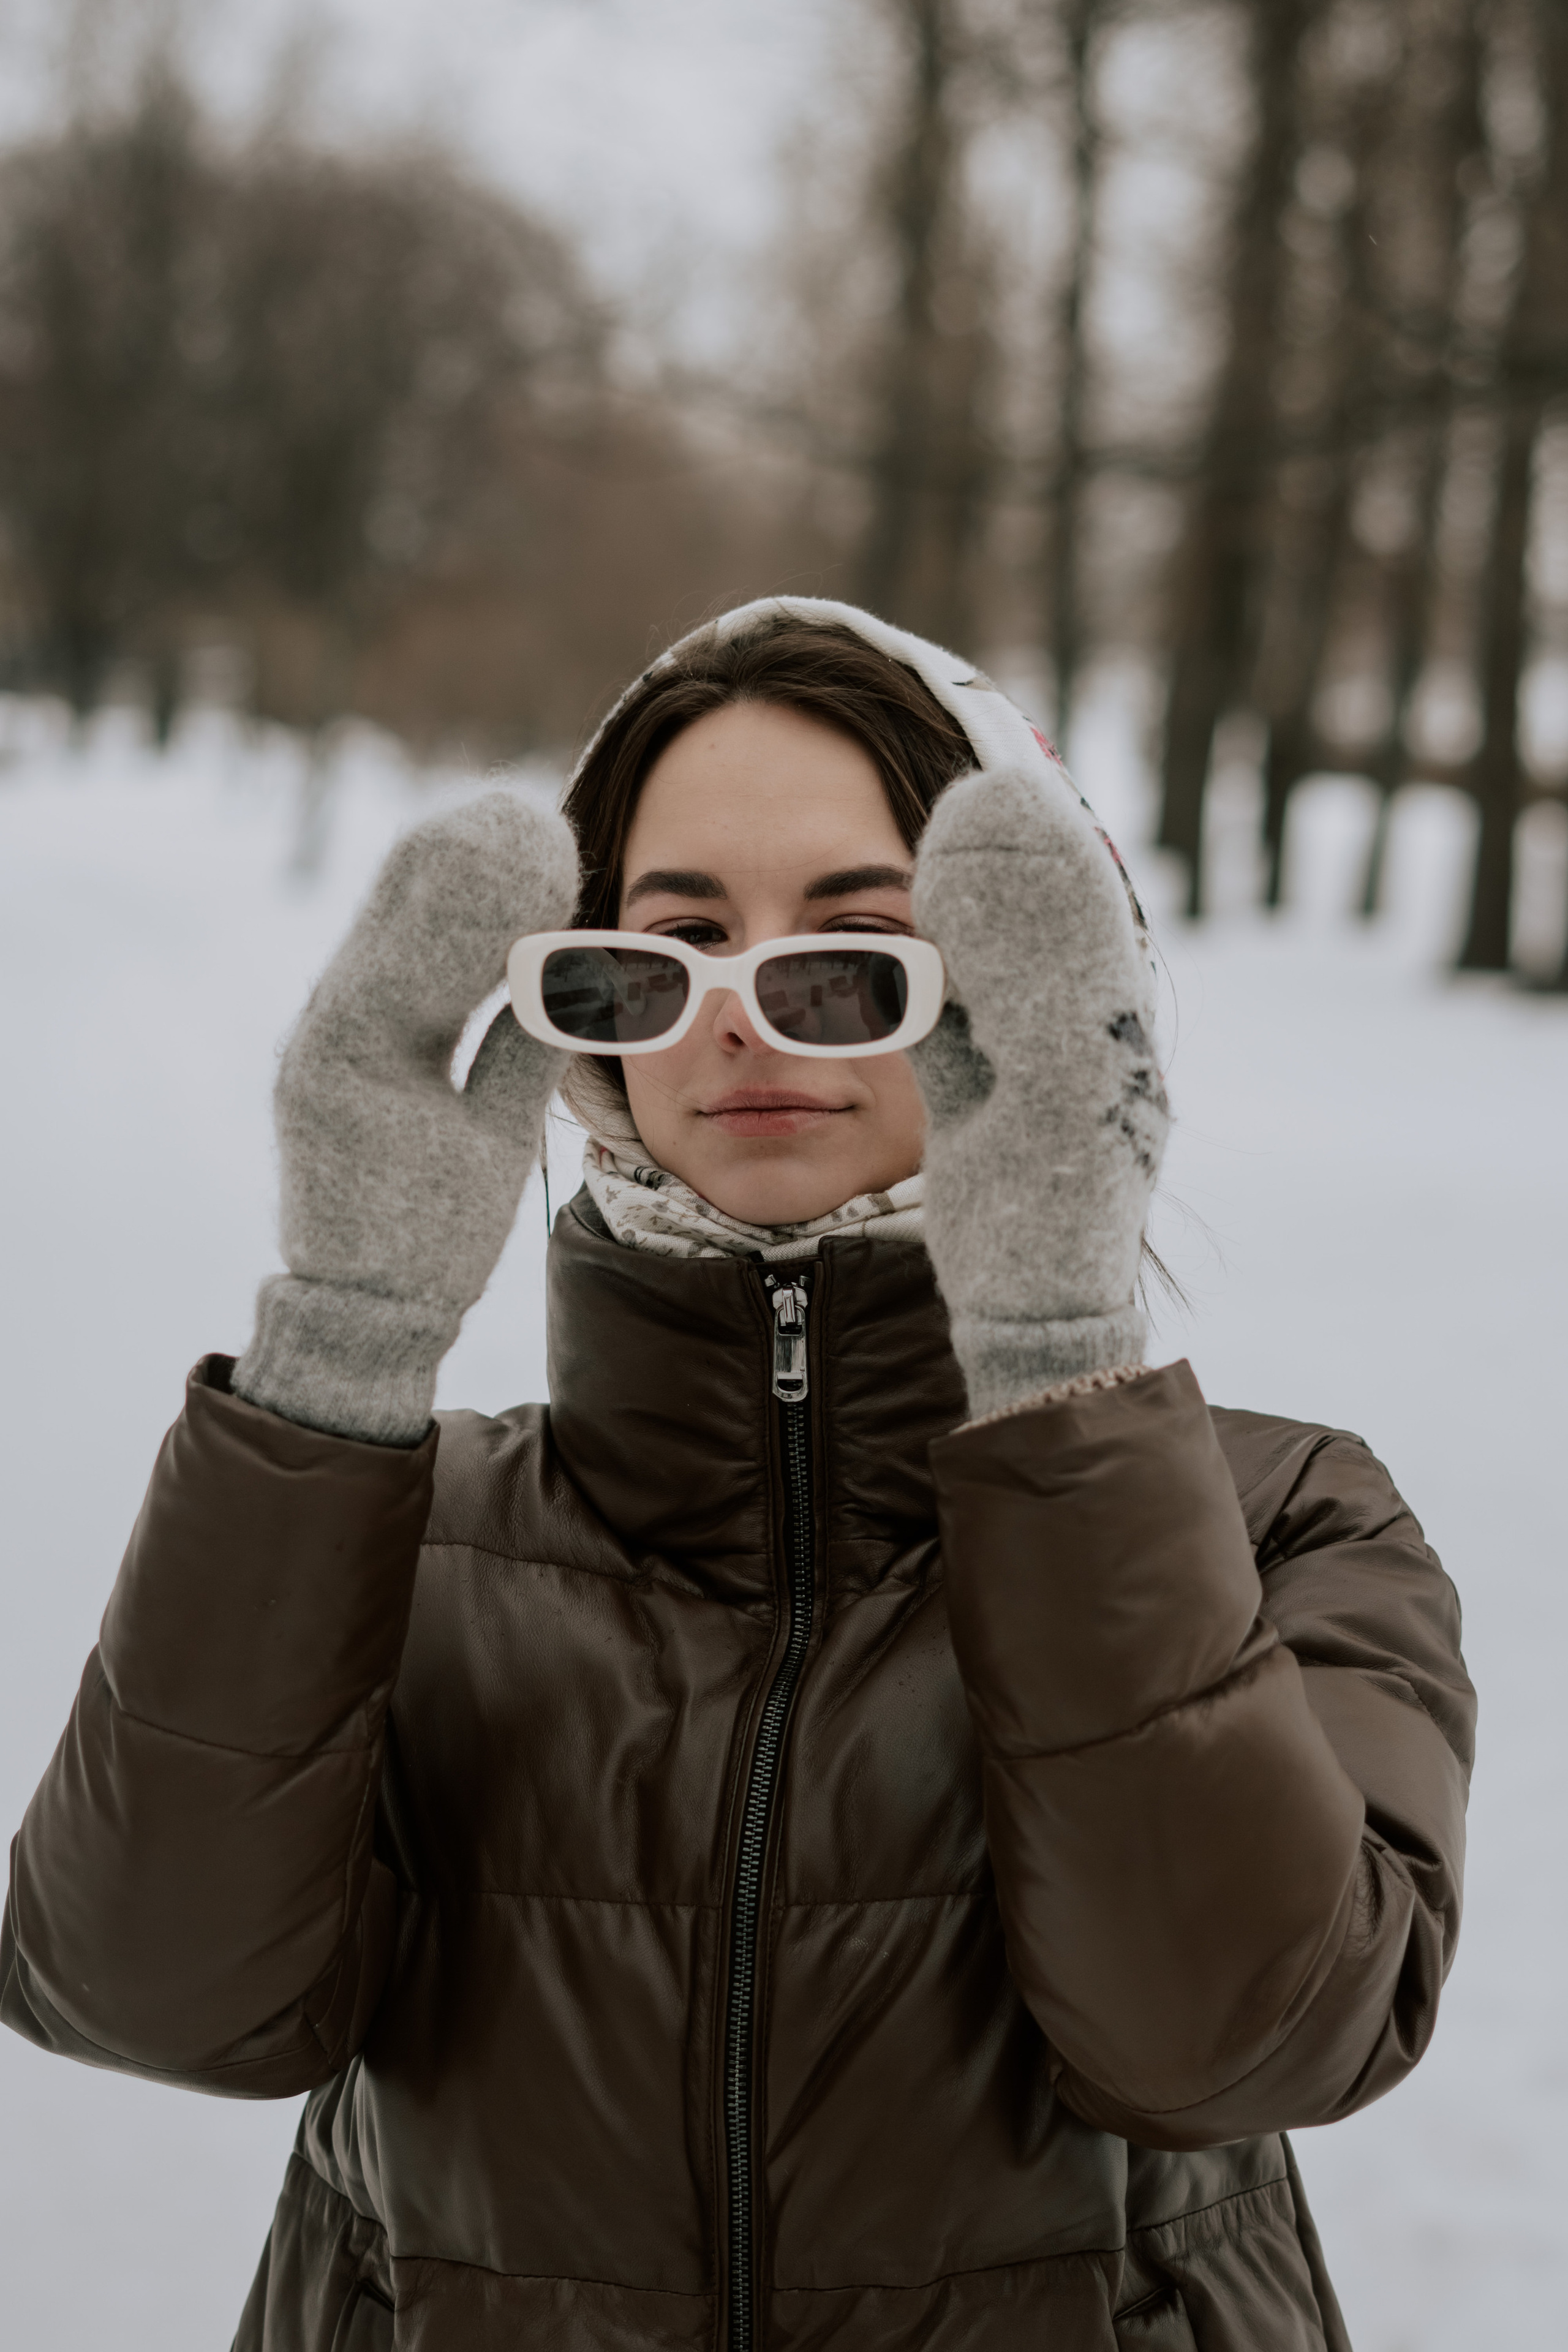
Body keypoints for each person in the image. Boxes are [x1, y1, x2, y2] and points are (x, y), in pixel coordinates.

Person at [1, 598, 1474, 2352]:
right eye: (662, 951)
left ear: (1045, 996)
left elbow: (1239, 2037)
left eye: (857, 955)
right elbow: (145, 1995)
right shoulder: (397, 1527)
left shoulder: (1281, 1521)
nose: (743, 1026)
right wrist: (342, 1344)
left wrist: (1064, 1369)